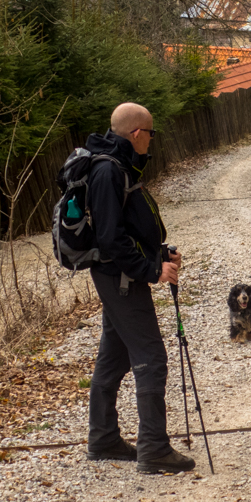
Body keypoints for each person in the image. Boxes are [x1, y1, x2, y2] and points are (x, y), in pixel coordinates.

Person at [83, 102, 196, 474]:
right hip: (121, 279)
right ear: (136, 133)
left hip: (120, 277)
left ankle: (103, 438)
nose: (151, 140)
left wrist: (160, 253)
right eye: (150, 133)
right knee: (151, 358)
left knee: (113, 356)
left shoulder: (116, 166)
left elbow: (128, 229)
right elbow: (111, 240)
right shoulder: (108, 171)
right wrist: (153, 270)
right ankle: (154, 449)